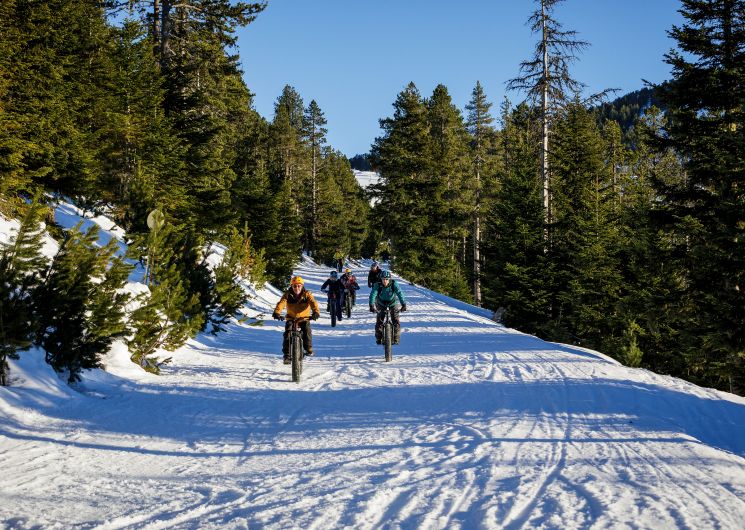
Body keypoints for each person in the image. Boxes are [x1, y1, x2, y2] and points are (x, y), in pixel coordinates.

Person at [272, 276, 320, 364]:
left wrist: (316, 312)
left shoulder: (307, 294)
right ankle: (286, 355)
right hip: (291, 318)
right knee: (287, 333)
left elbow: (313, 303)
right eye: (294, 286)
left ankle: (308, 348)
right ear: (291, 286)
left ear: (302, 286)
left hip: (304, 318)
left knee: (306, 330)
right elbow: (281, 303)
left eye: (299, 286)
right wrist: (277, 313)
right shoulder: (287, 294)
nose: (296, 288)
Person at [369, 270, 407, 344]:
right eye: (383, 279)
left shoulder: (394, 284)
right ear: (381, 279)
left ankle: (396, 338)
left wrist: (403, 304)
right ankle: (379, 338)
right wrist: (371, 305)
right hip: (381, 303)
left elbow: (400, 293)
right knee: (379, 321)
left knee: (396, 320)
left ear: (389, 279)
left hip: (392, 303)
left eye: (386, 279)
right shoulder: (378, 285)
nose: (385, 281)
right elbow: (373, 294)